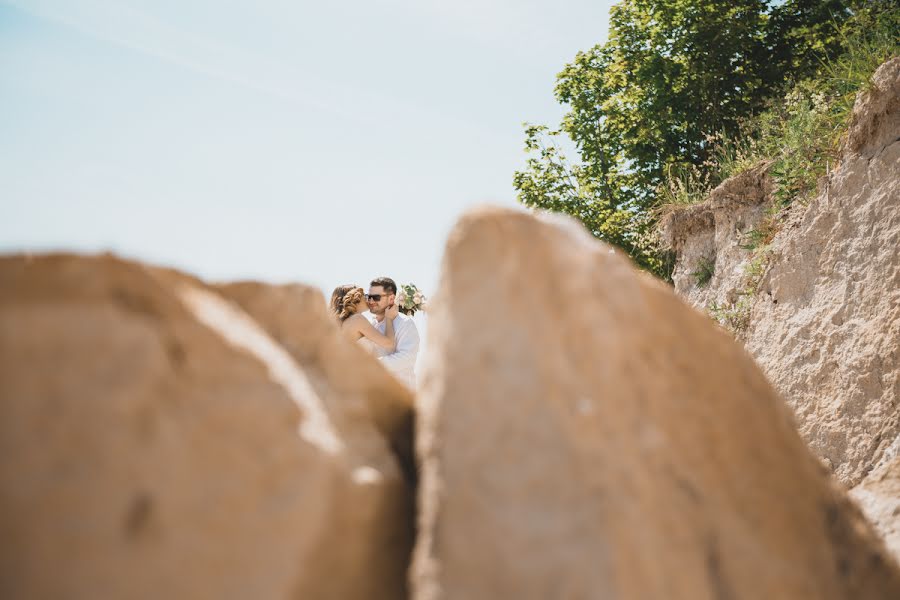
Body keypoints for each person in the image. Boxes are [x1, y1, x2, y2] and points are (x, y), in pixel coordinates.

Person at [365, 277, 420, 389]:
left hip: (401, 395)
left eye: (376, 297)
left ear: (391, 299)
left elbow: (406, 357)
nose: (371, 301)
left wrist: (371, 364)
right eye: (368, 297)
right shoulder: (368, 325)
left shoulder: (405, 323)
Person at [329, 284, 399, 351]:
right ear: (355, 297)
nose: (368, 298)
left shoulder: (342, 325)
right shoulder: (357, 319)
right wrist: (389, 318)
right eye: (364, 295)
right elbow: (389, 344)